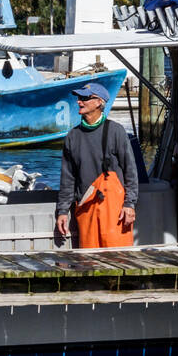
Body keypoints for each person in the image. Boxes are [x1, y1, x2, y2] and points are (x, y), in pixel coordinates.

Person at [56, 82, 138, 248]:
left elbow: (131, 171)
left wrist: (129, 204)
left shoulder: (116, 131)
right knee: (89, 262)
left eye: (85, 98)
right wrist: (63, 211)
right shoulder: (72, 136)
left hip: (115, 211)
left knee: (119, 260)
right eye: (79, 98)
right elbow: (68, 179)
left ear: (99, 102)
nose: (79, 102)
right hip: (86, 209)